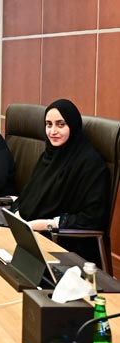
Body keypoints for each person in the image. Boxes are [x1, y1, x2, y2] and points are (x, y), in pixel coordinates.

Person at [13, 99, 110, 263]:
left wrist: (48, 224)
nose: (53, 131)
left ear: (73, 125)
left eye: (60, 124)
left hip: (68, 247)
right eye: (48, 124)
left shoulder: (91, 164)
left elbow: (92, 218)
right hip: (34, 238)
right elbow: (29, 195)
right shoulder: (49, 156)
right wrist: (18, 214)